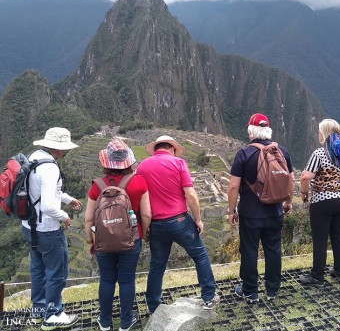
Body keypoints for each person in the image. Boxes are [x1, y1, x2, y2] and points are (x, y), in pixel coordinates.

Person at [136, 135, 219, 312]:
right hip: (180, 221)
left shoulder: (142, 167)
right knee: (200, 255)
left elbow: (139, 199)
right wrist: (198, 219)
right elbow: (190, 194)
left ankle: (153, 305)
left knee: (157, 265)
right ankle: (209, 297)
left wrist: (145, 227)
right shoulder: (178, 163)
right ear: (172, 148)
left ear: (157, 148)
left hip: (156, 224)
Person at [84, 139, 151, 331]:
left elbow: (89, 219)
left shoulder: (97, 185)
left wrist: (90, 241)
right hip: (132, 239)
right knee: (127, 280)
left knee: (106, 280)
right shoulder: (139, 181)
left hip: (103, 241)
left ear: (106, 163)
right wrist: (144, 234)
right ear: (128, 161)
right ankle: (125, 322)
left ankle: (105, 322)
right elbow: (146, 214)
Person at [227, 113, 295, 302]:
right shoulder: (281, 151)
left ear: (251, 132)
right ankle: (272, 290)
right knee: (273, 250)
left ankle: (250, 291)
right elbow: (291, 178)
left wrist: (231, 211)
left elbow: (233, 186)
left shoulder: (244, 153)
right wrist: (288, 202)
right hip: (276, 211)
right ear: (268, 131)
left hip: (251, 213)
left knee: (249, 251)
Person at [21, 127, 83, 330]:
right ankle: (54, 313)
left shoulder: (34, 158)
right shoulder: (51, 168)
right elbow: (48, 206)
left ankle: (38, 311)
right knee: (57, 272)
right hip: (47, 229)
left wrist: (67, 198)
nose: (66, 152)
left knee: (38, 270)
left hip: (29, 227)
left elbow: (39, 191)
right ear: (59, 149)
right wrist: (65, 217)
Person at [299, 119, 340, 286]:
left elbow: (305, 177)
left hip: (323, 200)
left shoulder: (320, 153)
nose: (318, 135)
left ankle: (317, 276)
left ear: (324, 134)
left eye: (320, 132)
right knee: (338, 235)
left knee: (320, 238)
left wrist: (304, 192)